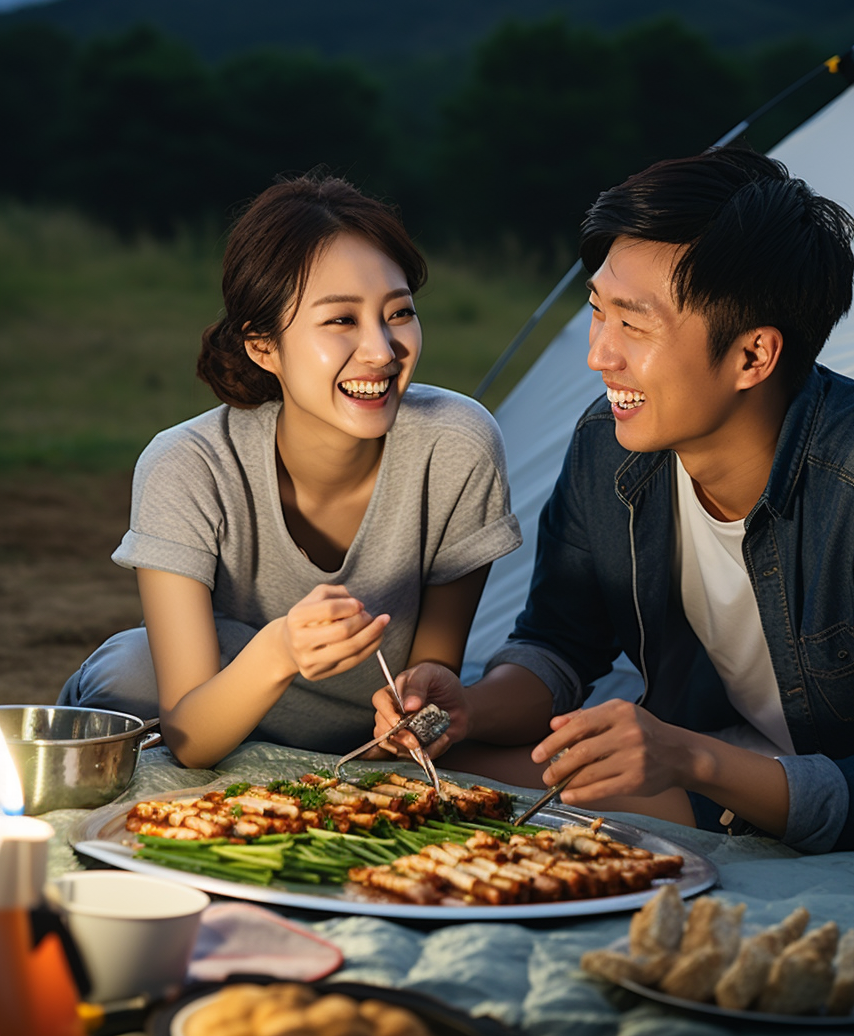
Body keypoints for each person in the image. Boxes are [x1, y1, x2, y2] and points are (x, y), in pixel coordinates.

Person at [374, 144, 854, 855]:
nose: (599, 355)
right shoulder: (608, 444)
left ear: (752, 357)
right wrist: (470, 709)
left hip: (809, 793)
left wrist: (690, 757)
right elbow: (559, 643)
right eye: (598, 312)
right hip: (700, 782)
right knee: (419, 775)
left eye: (634, 325)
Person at [59, 174, 521, 767]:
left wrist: (418, 710)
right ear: (263, 345)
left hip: (370, 738)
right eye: (340, 321)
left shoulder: (457, 445)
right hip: (216, 717)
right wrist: (280, 648)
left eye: (399, 312)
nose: (382, 350)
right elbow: (191, 737)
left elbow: (433, 669)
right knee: (132, 671)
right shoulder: (189, 467)